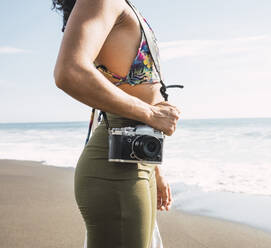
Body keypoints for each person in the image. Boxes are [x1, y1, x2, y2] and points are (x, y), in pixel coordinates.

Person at [52, 0, 180, 247]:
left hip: (137, 154)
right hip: (116, 167)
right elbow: (69, 71)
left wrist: (156, 169)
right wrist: (151, 114)